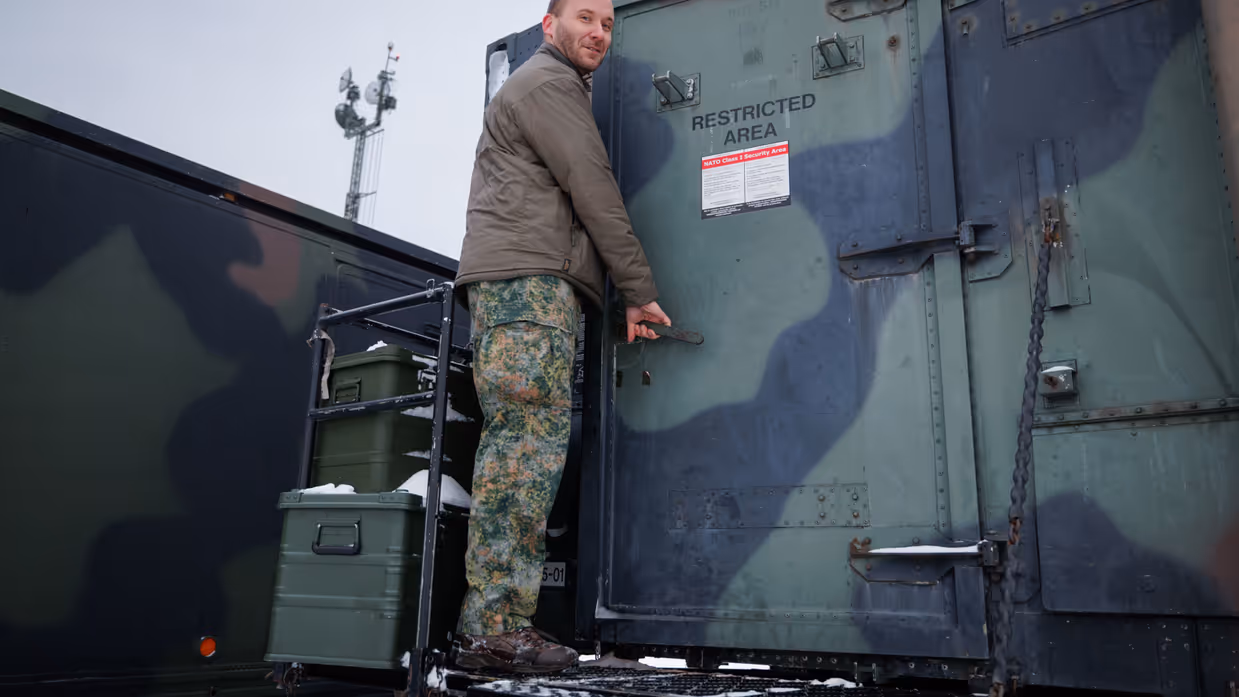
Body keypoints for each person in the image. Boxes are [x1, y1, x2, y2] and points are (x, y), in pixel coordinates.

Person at [450, 0, 671, 675]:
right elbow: (593, 188)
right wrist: (636, 287)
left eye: (607, 23)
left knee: (524, 449)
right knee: (522, 453)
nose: (598, 32)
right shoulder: (547, 84)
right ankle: (490, 626)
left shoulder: (549, 85)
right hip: (526, 288)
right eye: (584, 17)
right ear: (550, 26)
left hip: (528, 286)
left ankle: (495, 619)